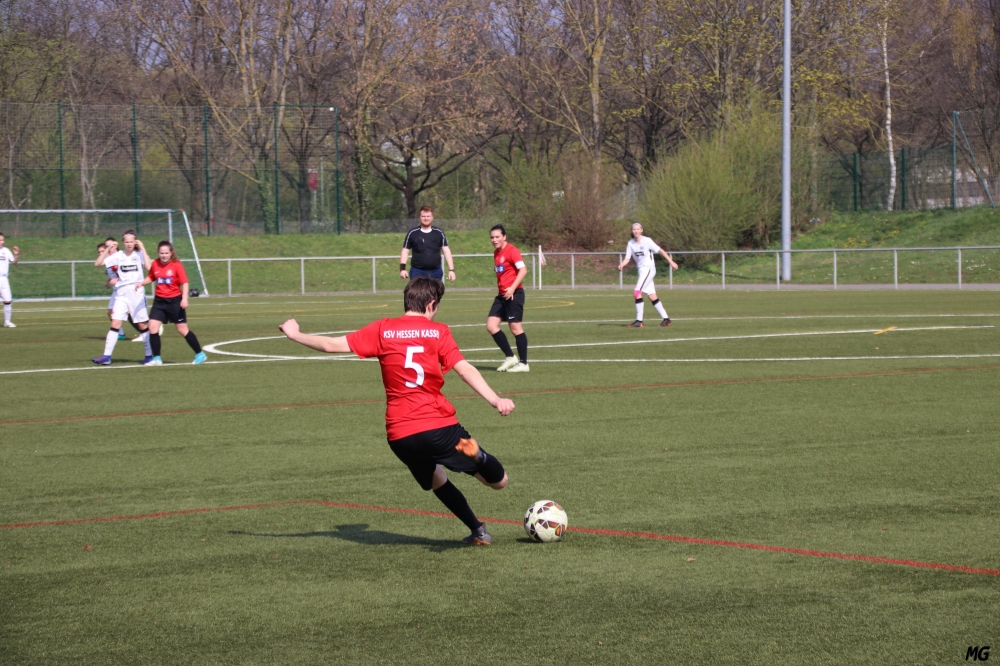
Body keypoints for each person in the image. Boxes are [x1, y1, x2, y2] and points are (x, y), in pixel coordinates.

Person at [279, 277, 513, 546]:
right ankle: (478, 456)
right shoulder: (438, 332)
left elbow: (331, 345)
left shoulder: (383, 329)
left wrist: (295, 334)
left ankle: (478, 531)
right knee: (499, 482)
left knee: (437, 479)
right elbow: (465, 370)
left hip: (401, 435)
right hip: (438, 427)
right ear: (431, 304)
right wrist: (495, 399)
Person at [135, 240, 207, 365]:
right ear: (158, 253)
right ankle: (157, 358)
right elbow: (152, 277)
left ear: (171, 253)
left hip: (174, 302)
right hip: (159, 301)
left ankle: (200, 354)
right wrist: (142, 283)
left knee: (182, 330)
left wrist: (184, 299)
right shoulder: (155, 263)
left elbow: (185, 282)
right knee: (152, 327)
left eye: (166, 253)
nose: (164, 255)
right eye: (161, 253)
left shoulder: (176, 265)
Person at [92, 230, 154, 365]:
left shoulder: (139, 254)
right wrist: (108, 248)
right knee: (115, 323)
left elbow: (149, 267)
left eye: (131, 242)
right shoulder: (118, 255)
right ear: (123, 243)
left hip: (136, 292)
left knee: (141, 324)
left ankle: (149, 355)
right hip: (122, 293)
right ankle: (106, 356)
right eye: (126, 242)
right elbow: (98, 263)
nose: (129, 244)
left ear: (135, 242)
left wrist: (143, 248)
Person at [617, 222, 679, 328]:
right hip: (641, 270)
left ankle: (639, 321)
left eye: (638, 229)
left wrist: (671, 262)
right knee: (652, 296)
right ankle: (666, 319)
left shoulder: (647, 241)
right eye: (634, 229)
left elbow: (660, 250)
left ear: (642, 230)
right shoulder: (631, 243)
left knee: (637, 292)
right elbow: (627, 258)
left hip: (648, 269)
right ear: (632, 231)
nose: (636, 231)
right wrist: (622, 264)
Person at [486, 224, 529, 372]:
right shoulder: (496, 253)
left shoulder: (512, 251)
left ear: (504, 236)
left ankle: (523, 363)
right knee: (491, 326)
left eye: (497, 237)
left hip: (514, 294)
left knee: (515, 328)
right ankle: (510, 357)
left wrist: (512, 288)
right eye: (492, 237)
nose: (494, 240)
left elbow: (523, 270)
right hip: (502, 296)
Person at [399, 206, 456, 282]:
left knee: (435, 290)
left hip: (436, 272)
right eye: (423, 216)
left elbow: (446, 251)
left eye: (428, 216)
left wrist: (451, 270)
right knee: (416, 290)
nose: (426, 218)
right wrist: (402, 269)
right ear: (420, 217)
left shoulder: (439, 233)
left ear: (432, 217)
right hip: (417, 271)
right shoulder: (412, 233)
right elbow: (405, 251)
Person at [0, 232, 19, 328]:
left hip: (4, 279)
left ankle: (7, 322)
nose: (2, 242)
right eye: (0, 240)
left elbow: (14, 262)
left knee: (7, 301)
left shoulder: (6, 251)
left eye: (3, 240)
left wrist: (16, 255)